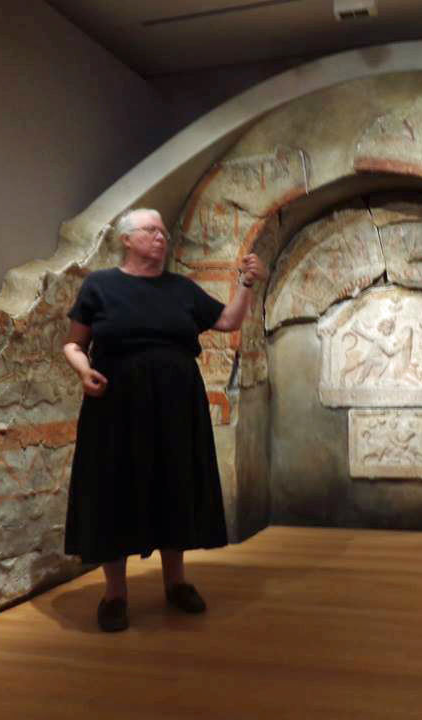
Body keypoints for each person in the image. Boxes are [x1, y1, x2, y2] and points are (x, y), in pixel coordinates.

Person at [62, 207, 266, 632]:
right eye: (151, 230)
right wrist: (83, 371)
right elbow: (74, 345)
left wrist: (246, 284)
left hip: (176, 404)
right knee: (114, 488)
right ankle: (115, 594)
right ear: (127, 239)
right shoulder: (101, 286)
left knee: (175, 482)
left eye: (164, 231)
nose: (161, 237)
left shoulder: (181, 288)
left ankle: (176, 582)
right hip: (116, 405)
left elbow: (227, 321)